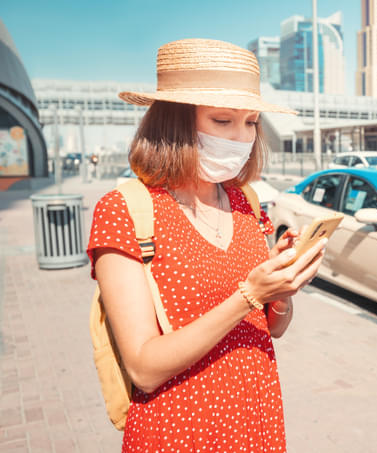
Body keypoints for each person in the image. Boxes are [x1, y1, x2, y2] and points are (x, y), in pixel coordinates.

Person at [87, 39, 325, 452]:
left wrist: (282, 292)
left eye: (251, 123)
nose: (241, 137)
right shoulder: (124, 209)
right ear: (174, 122)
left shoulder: (245, 202)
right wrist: (249, 294)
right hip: (180, 428)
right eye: (222, 121)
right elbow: (143, 367)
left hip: (258, 419)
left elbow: (272, 329)